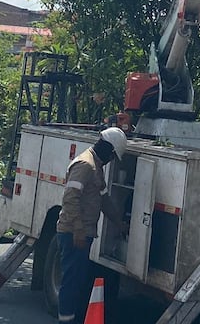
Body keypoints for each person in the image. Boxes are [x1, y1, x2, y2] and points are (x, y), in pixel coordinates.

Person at [56, 127, 127, 324]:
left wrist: (119, 223)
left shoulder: (96, 167)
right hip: (73, 233)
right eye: (113, 156)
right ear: (108, 148)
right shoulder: (85, 165)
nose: (112, 160)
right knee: (71, 282)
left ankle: (70, 318)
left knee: (77, 280)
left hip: (82, 233)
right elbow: (70, 199)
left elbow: (103, 200)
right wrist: (78, 228)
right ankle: (65, 321)